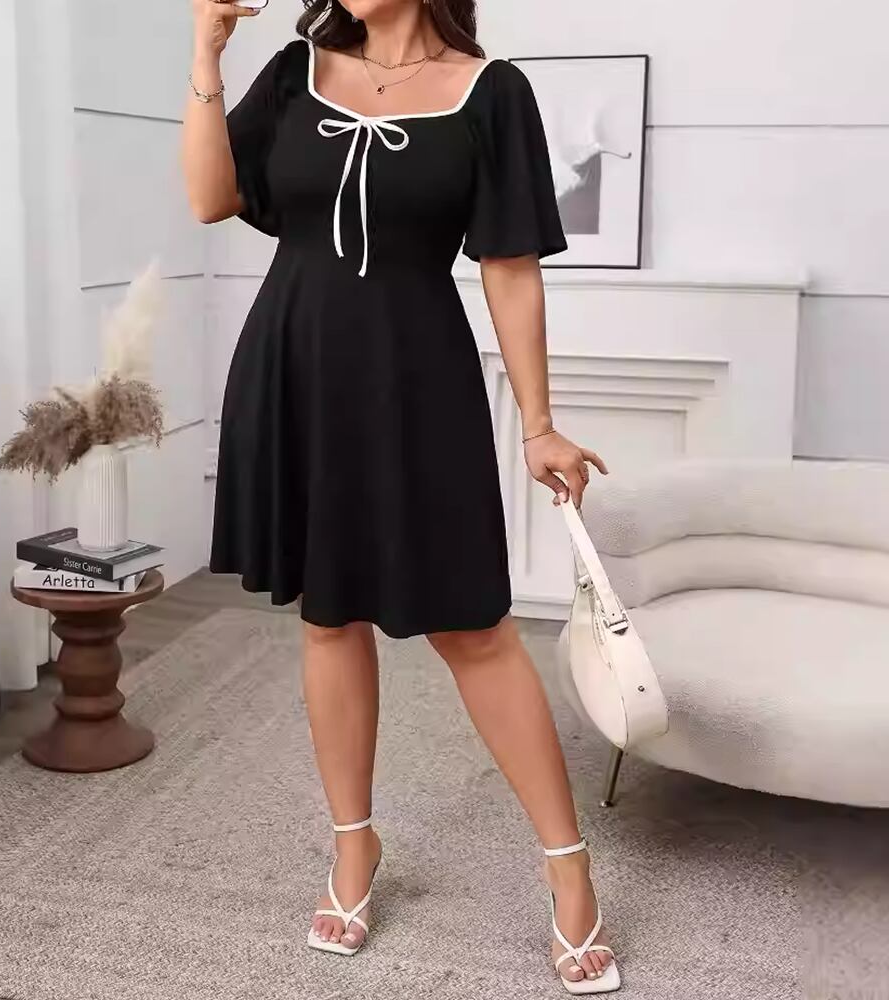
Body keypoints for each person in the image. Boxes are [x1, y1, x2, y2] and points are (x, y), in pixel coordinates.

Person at [182, 0, 616, 992]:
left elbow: (509, 266)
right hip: (294, 365)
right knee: (329, 618)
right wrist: (206, 54)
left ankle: (566, 863)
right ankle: (354, 846)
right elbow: (210, 198)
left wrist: (539, 423)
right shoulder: (294, 73)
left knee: (474, 627)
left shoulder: (492, 93)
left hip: (418, 378)